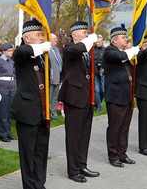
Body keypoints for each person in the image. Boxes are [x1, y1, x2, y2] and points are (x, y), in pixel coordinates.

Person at [10, 19, 51, 189]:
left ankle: (39, 184)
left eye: (42, 35)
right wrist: (40, 47)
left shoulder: (42, 58)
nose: (42, 38)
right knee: (28, 153)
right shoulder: (22, 54)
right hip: (27, 112)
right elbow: (20, 53)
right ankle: (29, 186)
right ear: (27, 38)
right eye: (38, 35)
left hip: (42, 112)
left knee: (41, 152)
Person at [58, 21, 100, 183]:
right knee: (74, 136)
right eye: (83, 32)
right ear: (75, 34)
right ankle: (73, 170)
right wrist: (89, 41)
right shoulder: (69, 48)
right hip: (74, 98)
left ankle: (82, 164)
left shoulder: (86, 51)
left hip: (86, 98)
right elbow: (77, 49)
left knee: (84, 135)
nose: (86, 35)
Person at [103, 26, 139, 168]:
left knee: (124, 127)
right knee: (115, 127)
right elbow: (119, 57)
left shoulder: (124, 52)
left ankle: (122, 154)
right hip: (115, 96)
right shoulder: (109, 51)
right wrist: (132, 50)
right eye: (123, 38)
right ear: (115, 40)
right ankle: (113, 155)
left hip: (127, 95)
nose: (126, 40)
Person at [0, 42, 17, 141]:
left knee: (9, 112)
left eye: (12, 50)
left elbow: (14, 75)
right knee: (2, 112)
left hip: (12, 88)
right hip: (3, 88)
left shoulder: (11, 62)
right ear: (3, 51)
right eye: (9, 50)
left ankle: (8, 132)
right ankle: (2, 133)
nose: (11, 52)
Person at [48, 33, 62, 120]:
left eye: (56, 38)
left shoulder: (56, 49)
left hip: (58, 76)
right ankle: (48, 113)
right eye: (54, 39)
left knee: (55, 96)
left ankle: (53, 114)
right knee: (49, 96)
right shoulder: (47, 50)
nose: (56, 40)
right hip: (51, 77)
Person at [94, 34, 105, 112]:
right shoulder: (92, 50)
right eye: (96, 42)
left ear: (102, 42)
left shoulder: (105, 50)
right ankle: (98, 106)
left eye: (99, 42)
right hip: (95, 72)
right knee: (96, 90)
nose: (98, 43)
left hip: (103, 72)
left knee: (103, 90)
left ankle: (99, 102)